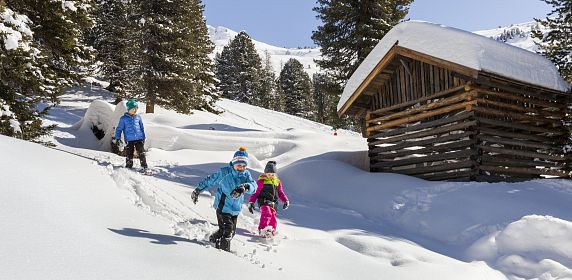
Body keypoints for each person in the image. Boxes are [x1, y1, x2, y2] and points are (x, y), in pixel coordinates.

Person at [191, 147, 256, 252]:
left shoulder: (246, 175)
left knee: (229, 232)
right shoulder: (225, 172)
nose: (241, 168)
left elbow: (254, 186)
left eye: (244, 166)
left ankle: (213, 239)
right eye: (239, 165)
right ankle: (223, 255)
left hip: (235, 209)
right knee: (228, 231)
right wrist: (198, 190)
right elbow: (210, 180)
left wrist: (245, 187)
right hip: (223, 208)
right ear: (233, 163)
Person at [248, 161, 289, 238]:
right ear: (265, 173)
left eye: (272, 174)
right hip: (263, 201)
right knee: (267, 213)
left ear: (275, 174)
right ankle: (262, 229)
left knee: (273, 217)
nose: (270, 176)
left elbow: (280, 193)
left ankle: (271, 230)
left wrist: (285, 200)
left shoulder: (277, 182)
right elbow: (255, 193)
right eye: (268, 174)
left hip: (273, 203)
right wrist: (251, 202)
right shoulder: (261, 181)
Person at [113, 99, 148, 171]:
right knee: (129, 153)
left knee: (142, 152)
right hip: (129, 140)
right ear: (129, 109)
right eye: (133, 108)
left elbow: (141, 127)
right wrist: (117, 138)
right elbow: (119, 129)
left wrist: (143, 137)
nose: (135, 110)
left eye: (136, 108)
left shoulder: (138, 117)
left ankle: (144, 166)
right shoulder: (123, 119)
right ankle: (129, 166)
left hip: (139, 139)